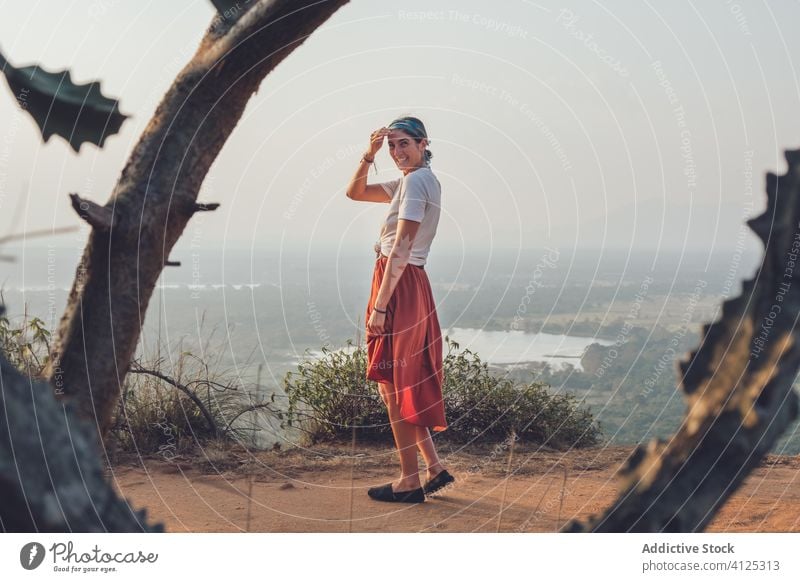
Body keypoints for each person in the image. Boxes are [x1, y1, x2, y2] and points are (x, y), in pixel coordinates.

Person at [345, 116, 455, 503]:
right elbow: (355, 193)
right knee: (398, 380)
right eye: (391, 145)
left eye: (403, 144)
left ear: (424, 143)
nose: (396, 152)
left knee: (392, 385)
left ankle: (409, 481)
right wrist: (368, 154)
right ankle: (434, 467)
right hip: (406, 281)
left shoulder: (416, 182)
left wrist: (379, 306)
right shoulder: (412, 182)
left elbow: (402, 247)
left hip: (399, 281)